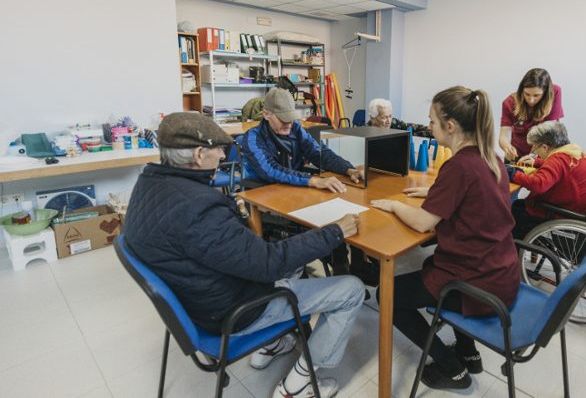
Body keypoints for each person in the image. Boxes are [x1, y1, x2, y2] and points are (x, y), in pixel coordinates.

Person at [123, 112, 365, 398]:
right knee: (352, 289)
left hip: (198, 295)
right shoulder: (199, 207)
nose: (224, 155)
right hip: (235, 310)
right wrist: (334, 232)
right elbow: (268, 265)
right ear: (199, 154)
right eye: (219, 150)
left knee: (295, 256)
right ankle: (298, 385)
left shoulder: (148, 185)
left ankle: (274, 344)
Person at [370, 86, 520, 391]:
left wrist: (394, 205)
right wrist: (437, 192)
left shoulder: (459, 166)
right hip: (501, 270)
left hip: (473, 280)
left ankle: (452, 370)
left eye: (433, 121)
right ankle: (468, 352)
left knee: (388, 295)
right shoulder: (490, 158)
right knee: (430, 265)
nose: (429, 126)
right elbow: (471, 194)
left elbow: (424, 222)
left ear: (450, 127)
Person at [241, 88, 377, 284]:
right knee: (328, 219)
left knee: (342, 210)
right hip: (265, 199)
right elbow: (271, 170)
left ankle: (347, 269)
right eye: (283, 118)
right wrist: (313, 180)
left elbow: (320, 154)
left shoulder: (296, 129)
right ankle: (339, 272)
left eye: (291, 117)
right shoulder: (252, 138)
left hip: (295, 191)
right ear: (267, 114)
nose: (289, 123)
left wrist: (349, 170)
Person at [508, 121, 586, 240]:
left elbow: (538, 184)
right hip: (583, 211)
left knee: (514, 210)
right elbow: (562, 170)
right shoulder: (572, 151)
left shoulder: (557, 160)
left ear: (545, 147)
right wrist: (537, 162)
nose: (533, 151)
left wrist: (512, 173)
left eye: (534, 147)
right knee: (518, 205)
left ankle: (514, 249)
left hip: (566, 215)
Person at [499, 68, 564, 163]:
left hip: (544, 156)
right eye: (527, 94)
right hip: (517, 156)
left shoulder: (555, 92)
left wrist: (533, 157)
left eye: (536, 95)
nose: (531, 100)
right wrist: (506, 147)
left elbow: (550, 133)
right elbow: (503, 136)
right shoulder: (509, 103)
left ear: (545, 93)